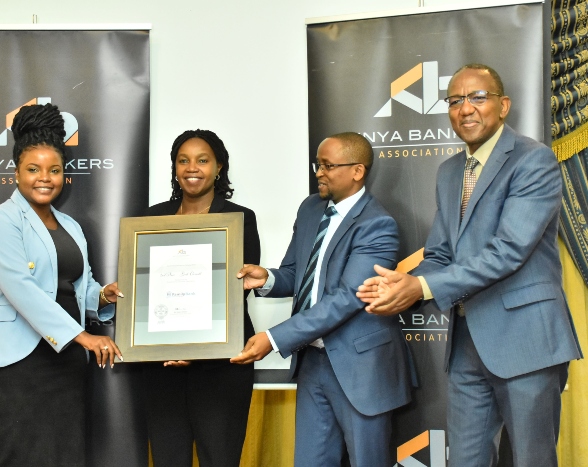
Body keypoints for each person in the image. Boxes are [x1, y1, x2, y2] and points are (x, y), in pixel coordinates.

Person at [357, 64, 583, 467]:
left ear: (503, 105)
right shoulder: (449, 172)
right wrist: (405, 284)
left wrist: (424, 289)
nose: (466, 109)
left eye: (478, 97)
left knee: (533, 460)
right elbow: (441, 254)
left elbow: (509, 250)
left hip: (526, 341)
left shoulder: (534, 161)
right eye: (456, 100)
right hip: (466, 346)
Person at [231, 132, 414, 467]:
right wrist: (267, 278)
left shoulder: (378, 226)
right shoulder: (311, 208)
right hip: (313, 362)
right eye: (318, 164)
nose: (319, 172)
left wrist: (274, 338)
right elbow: (296, 273)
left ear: (357, 171)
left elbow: (345, 299)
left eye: (328, 165)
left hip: (360, 368)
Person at [0, 103, 122, 467]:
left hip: (64, 362)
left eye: (54, 170)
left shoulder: (70, 225)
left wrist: (102, 296)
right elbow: (22, 289)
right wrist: (84, 337)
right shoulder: (1, 220)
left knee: (65, 457)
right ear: (16, 172)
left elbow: (77, 285)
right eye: (33, 169)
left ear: (64, 174)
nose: (44, 178)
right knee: (18, 457)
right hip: (14, 362)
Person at [142, 129, 261, 467]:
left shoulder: (240, 218)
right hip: (162, 363)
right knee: (168, 459)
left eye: (202, 160)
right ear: (174, 168)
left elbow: (237, 289)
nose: (192, 168)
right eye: (183, 160)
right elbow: (145, 292)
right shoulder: (150, 219)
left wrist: (193, 346)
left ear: (219, 167)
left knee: (219, 458)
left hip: (222, 363)